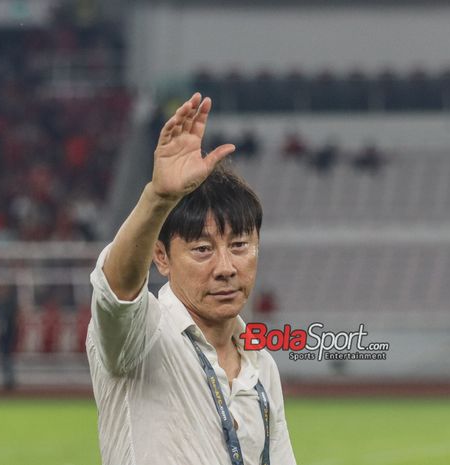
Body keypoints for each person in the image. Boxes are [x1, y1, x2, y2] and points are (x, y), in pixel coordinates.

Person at [87, 92, 297, 465]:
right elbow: (116, 291)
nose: (226, 267)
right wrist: (158, 198)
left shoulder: (261, 364)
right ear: (162, 257)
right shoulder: (143, 334)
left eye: (239, 245)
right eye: (202, 249)